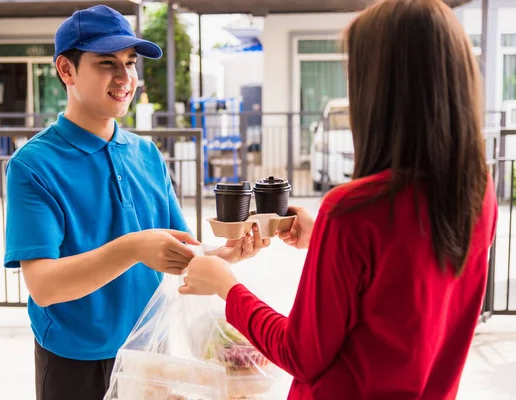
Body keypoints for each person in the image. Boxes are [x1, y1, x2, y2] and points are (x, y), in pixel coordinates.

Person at [179, 0, 498, 398]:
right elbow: (406, 289)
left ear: (381, 88)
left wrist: (227, 288)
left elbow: (299, 354)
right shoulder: (476, 191)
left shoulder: (353, 210)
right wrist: (326, 241)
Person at [3, 5, 269, 400]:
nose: (125, 77)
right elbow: (44, 286)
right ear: (66, 70)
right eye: (107, 63)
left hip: (149, 351)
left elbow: (182, 255)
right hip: (74, 360)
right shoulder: (34, 165)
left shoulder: (146, 154)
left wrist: (224, 254)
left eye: (130, 63)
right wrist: (133, 247)